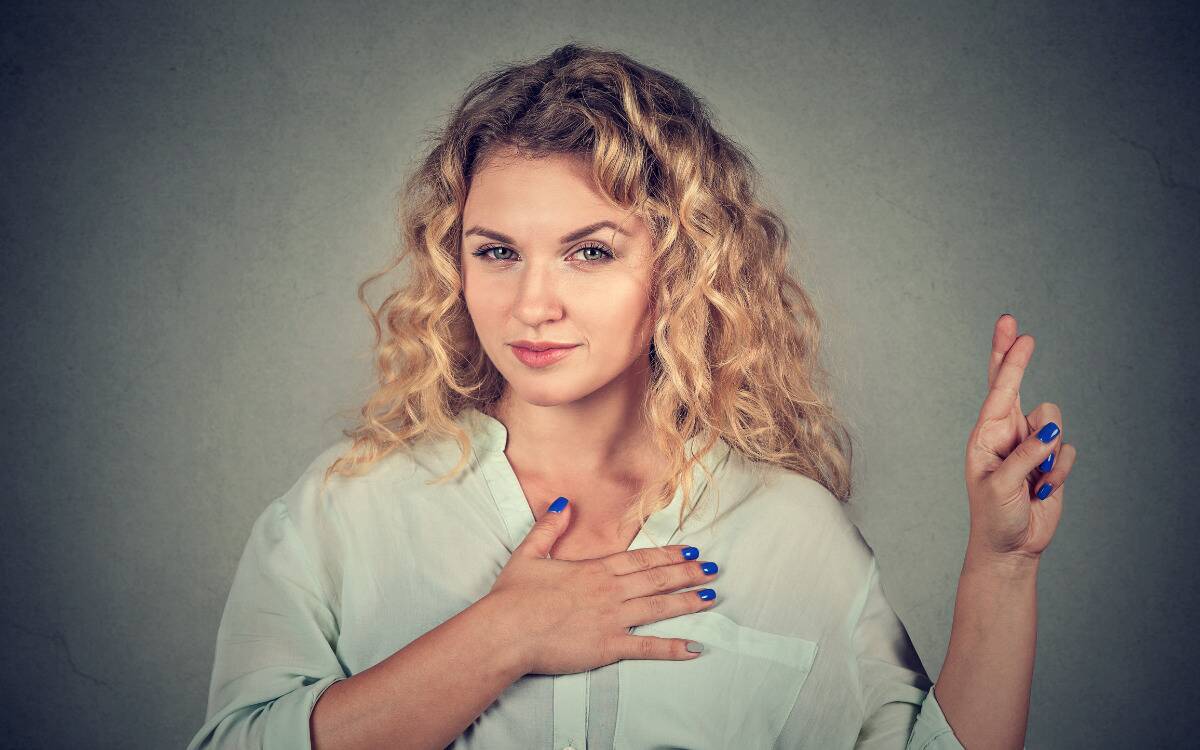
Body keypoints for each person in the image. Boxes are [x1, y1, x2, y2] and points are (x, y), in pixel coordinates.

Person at [188, 43, 1076, 750]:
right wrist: (504, 635)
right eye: (496, 251)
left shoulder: (790, 531)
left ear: (679, 267)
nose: (533, 303)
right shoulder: (348, 508)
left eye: (591, 251)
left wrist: (1004, 570)